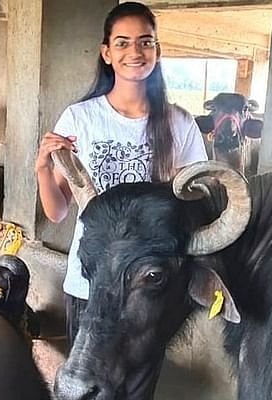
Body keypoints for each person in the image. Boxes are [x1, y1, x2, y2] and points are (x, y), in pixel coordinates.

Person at [34, 1, 207, 397]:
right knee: (84, 388)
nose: (135, 52)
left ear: (157, 52)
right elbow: (58, 211)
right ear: (107, 52)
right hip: (91, 285)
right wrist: (42, 169)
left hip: (146, 294)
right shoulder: (80, 119)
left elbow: (199, 203)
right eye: (123, 42)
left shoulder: (179, 124)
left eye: (146, 42)